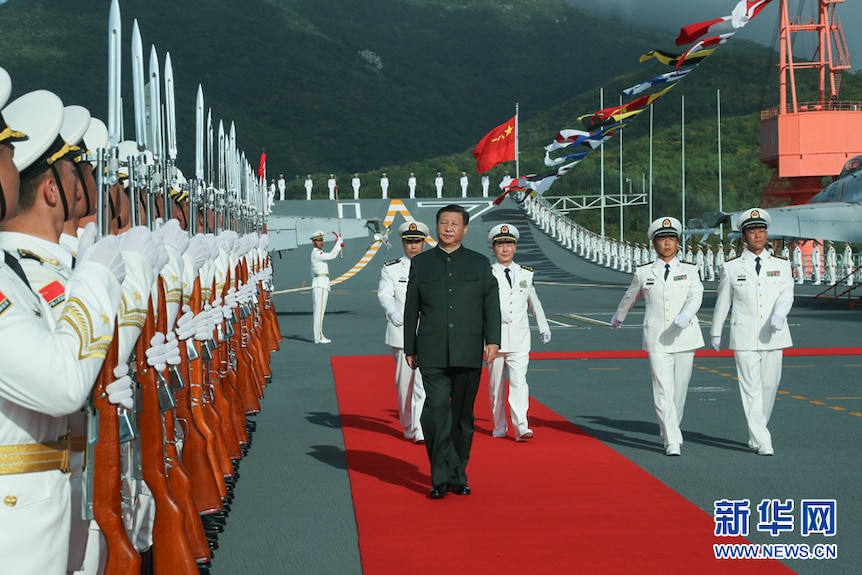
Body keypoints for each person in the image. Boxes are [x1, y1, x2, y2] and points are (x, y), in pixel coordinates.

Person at [0, 80, 128, 575]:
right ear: (52, 187)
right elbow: (62, 384)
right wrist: (107, 276)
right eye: (7, 153)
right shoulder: (23, 269)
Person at [404, 204, 501, 499]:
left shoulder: (480, 264)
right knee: (434, 414)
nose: (448, 228)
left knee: (462, 418)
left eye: (454, 223)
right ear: (436, 227)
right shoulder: (421, 264)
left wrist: (493, 341)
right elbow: (412, 308)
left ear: (465, 229)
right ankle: (439, 476)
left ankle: (458, 474)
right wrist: (410, 346)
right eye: (443, 222)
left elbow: (490, 306)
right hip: (431, 351)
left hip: (468, 350)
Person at [612, 217, 704, 456]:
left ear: (678, 243)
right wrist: (619, 316)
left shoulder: (691, 270)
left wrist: (686, 314)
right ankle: (673, 439)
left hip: (685, 336)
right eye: (662, 239)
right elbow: (630, 297)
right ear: (654, 244)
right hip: (657, 338)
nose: (667, 243)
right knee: (662, 389)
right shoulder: (644, 272)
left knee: (679, 390)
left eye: (671, 239)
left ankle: (669, 427)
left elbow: (696, 296)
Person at [710, 208, 794, 456]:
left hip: (774, 333)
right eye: (752, 231)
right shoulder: (732, 267)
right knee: (751, 389)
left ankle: (756, 431)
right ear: (743, 237)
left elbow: (786, 294)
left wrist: (780, 314)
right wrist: (716, 331)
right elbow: (723, 302)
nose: (758, 235)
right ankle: (764, 439)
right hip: (744, 335)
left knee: (769, 386)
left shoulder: (782, 264)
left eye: (761, 230)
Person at [486, 224, 550, 442]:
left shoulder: (525, 273)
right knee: (495, 388)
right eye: (500, 245)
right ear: (493, 248)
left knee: (519, 383)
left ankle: (521, 425)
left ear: (515, 247)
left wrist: (543, 326)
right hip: (494, 340)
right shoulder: (487, 273)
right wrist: (494, 312)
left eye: (509, 244)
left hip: (520, 338)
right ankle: (499, 425)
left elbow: (534, 302)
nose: (505, 249)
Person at [378, 221, 429, 444]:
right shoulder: (391, 267)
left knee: (422, 382)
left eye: (417, 241)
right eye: (409, 241)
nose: (414, 246)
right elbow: (385, 294)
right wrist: (392, 312)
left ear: (424, 243)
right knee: (404, 383)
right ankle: (407, 422)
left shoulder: (434, 266)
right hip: (401, 333)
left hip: (428, 332)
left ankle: (419, 426)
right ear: (403, 243)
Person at [310, 230, 343, 343]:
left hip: (321, 283)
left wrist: (337, 244)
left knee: (319, 312)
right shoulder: (317, 254)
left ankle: (318, 336)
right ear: (313, 242)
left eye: (321, 240)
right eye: (318, 240)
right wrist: (338, 244)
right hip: (320, 284)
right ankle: (318, 337)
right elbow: (332, 255)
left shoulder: (318, 253)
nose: (320, 242)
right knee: (319, 312)